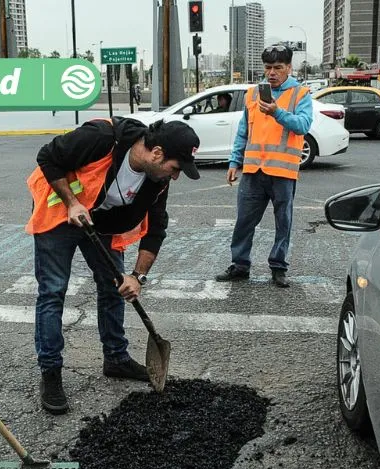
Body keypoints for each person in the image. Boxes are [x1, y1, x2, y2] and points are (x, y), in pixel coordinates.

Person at [26, 117, 200, 414]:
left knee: (114, 286)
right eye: (176, 168)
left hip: (102, 222)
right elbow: (47, 157)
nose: (175, 177)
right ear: (156, 153)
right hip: (60, 213)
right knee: (53, 290)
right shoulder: (101, 137)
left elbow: (156, 227)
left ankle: (116, 358)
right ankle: (51, 372)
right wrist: (71, 202)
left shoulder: (156, 180)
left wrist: (137, 277)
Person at [216, 44, 313, 288]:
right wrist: (234, 161)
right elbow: (243, 131)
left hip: (282, 171)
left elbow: (303, 125)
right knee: (244, 221)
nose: (272, 73)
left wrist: (277, 112)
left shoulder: (300, 94)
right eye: (268, 67)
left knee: (283, 223)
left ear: (289, 68)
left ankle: (278, 267)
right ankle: (240, 265)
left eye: (278, 68)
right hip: (253, 170)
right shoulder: (252, 94)